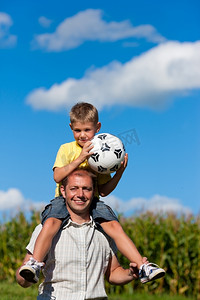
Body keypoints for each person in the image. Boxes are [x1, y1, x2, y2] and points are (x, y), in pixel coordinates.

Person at [19, 102, 165, 284]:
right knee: (50, 223)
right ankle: (35, 264)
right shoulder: (66, 149)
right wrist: (80, 158)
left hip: (93, 201)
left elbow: (103, 191)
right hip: (62, 200)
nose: (82, 135)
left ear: (98, 128)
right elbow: (57, 176)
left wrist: (119, 172)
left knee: (115, 226)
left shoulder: (103, 153)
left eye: (87, 130)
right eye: (77, 130)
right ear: (71, 128)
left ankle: (143, 266)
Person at [16, 169, 148, 300]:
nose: (80, 194)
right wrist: (26, 276)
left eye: (86, 189)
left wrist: (131, 273)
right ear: (63, 191)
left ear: (93, 191)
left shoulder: (104, 230)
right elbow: (22, 280)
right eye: (74, 188)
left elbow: (113, 273)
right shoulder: (45, 230)